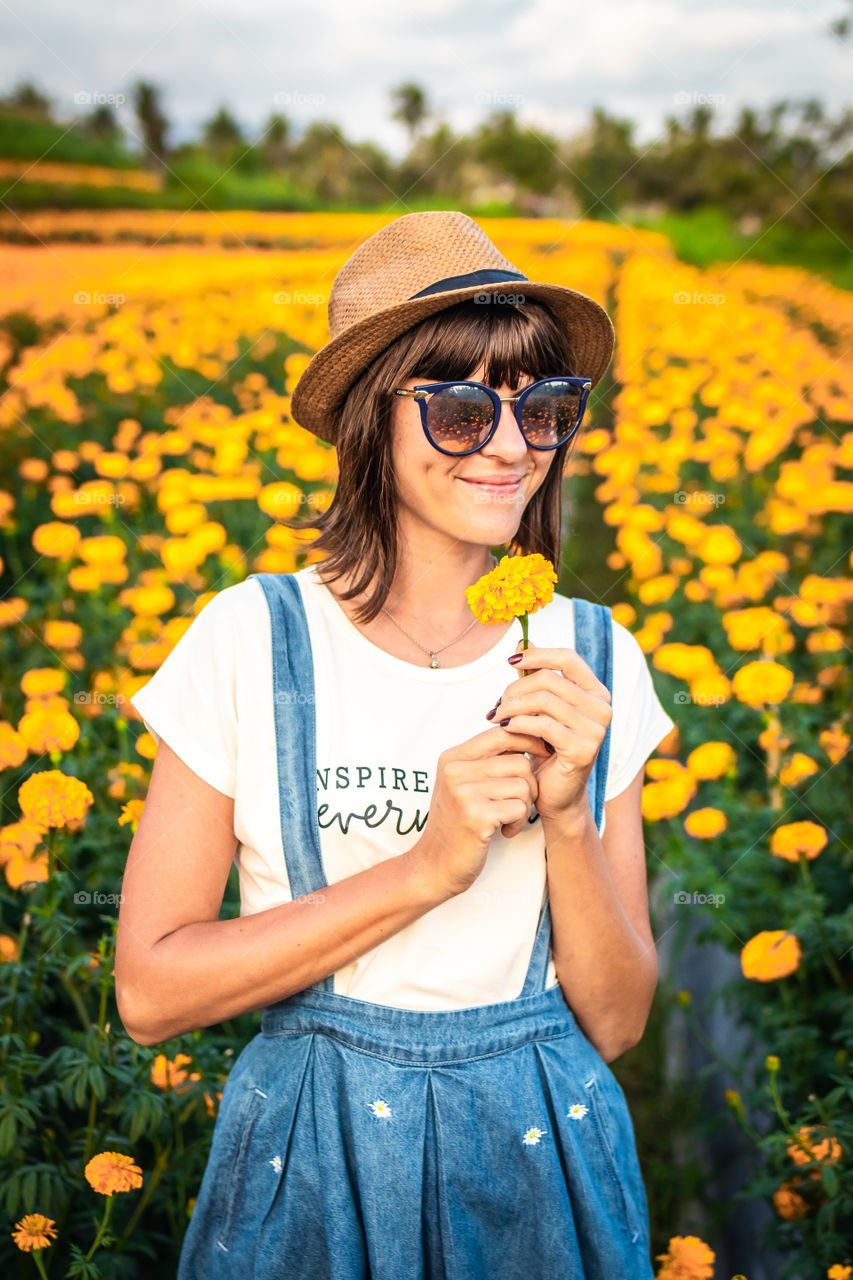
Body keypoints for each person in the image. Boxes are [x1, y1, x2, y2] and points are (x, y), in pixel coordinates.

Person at [115, 210, 675, 1279]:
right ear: (374, 420)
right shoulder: (252, 637)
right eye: (462, 409)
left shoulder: (592, 652)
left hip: (535, 1148)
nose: (512, 446)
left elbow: (615, 1019)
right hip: (313, 1150)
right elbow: (149, 992)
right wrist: (428, 867)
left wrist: (565, 817)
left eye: (545, 408)